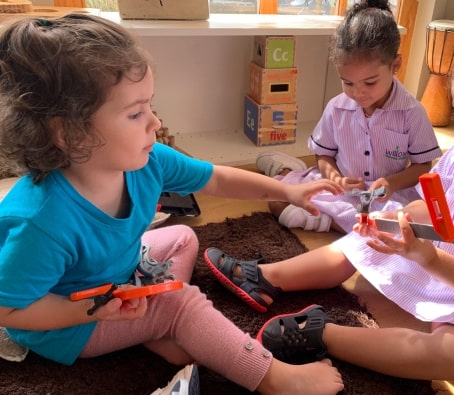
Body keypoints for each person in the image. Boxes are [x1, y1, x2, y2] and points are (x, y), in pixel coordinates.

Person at [206, 20, 454, 394]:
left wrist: (429, 259)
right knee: (362, 237)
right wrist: (399, 219)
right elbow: (438, 208)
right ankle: (268, 277)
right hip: (438, 257)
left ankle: (323, 333)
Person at [0, 14, 345, 395]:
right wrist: (90, 309)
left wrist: (287, 192)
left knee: (182, 237)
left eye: (150, 105)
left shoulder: (150, 160)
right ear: (68, 133)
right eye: (135, 113)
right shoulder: (41, 222)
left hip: (117, 278)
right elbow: (10, 311)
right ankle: (275, 379)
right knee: (179, 301)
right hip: (70, 326)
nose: (155, 121)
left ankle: (153, 325)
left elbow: (217, 177)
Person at [256, 0, 442, 234]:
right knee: (278, 201)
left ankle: (332, 222)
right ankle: (285, 170)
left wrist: (391, 183)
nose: (358, 92)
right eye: (348, 82)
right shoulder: (337, 108)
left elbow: (423, 166)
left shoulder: (412, 113)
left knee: (407, 228)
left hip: (389, 198)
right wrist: (336, 178)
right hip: (342, 194)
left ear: (396, 65)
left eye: (370, 82)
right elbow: (324, 155)